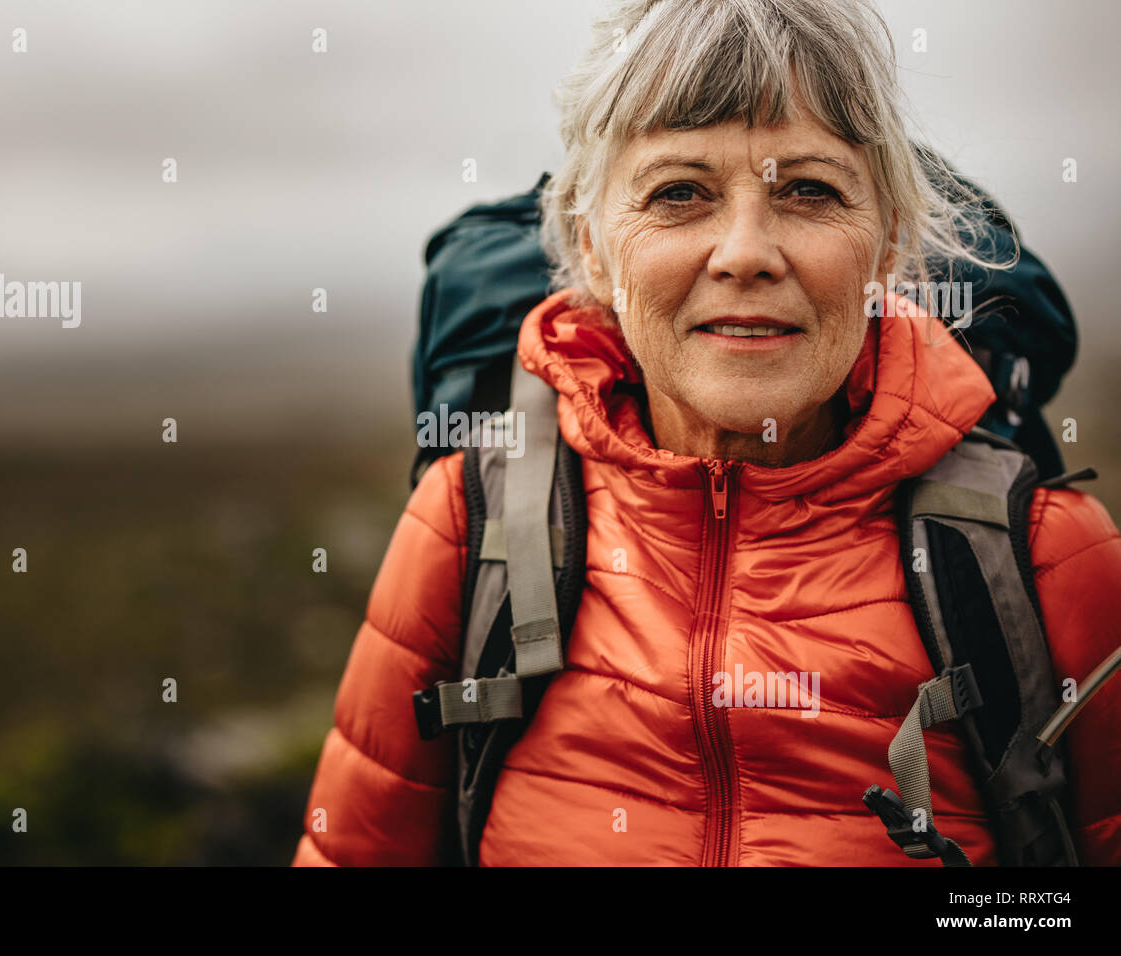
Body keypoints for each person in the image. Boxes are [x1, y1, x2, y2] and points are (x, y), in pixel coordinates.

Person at [292, 0, 1121, 865]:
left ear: (888, 244)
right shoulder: (468, 522)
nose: (744, 252)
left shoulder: (1048, 557)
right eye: (679, 192)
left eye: (808, 189)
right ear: (595, 248)